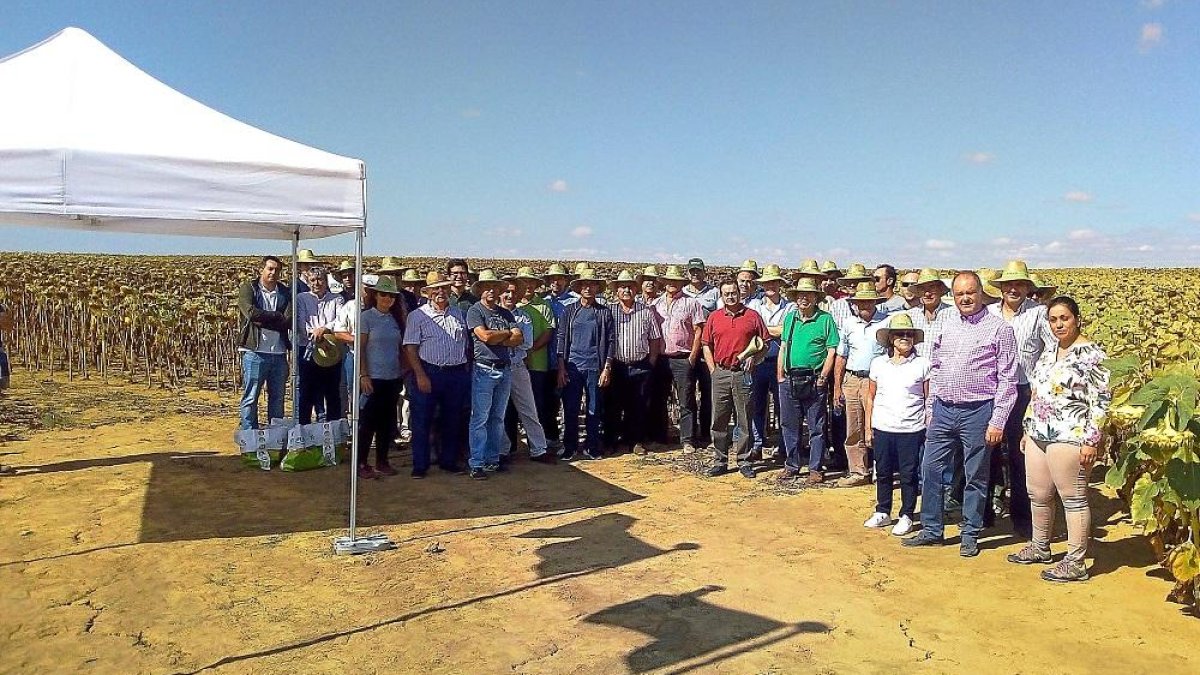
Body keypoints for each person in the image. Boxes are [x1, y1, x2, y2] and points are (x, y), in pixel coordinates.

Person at [903, 272, 1018, 558]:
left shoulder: (999, 329)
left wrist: (998, 420)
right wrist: (931, 409)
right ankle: (931, 530)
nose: (965, 298)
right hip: (943, 409)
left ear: (981, 293)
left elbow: (1008, 379)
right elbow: (937, 367)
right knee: (930, 469)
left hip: (978, 412)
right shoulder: (947, 323)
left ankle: (970, 534)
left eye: (970, 292)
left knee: (975, 476)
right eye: (959, 294)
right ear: (952, 297)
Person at [1009, 296, 1111, 582]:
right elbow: (1037, 392)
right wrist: (1028, 428)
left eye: (1064, 318)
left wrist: (1092, 440)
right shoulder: (1049, 352)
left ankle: (1076, 562)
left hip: (1071, 435)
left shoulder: (1092, 354)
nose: (1058, 324)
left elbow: (1101, 400)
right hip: (1040, 432)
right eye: (1053, 320)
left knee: (1073, 499)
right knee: (1038, 495)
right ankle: (1040, 546)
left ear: (1076, 318)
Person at [988, 260, 1056, 538]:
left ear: (1028, 288)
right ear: (1001, 288)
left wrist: (1042, 390)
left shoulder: (1039, 313)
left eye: (1019, 284)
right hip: (989, 391)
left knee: (1020, 457)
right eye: (1009, 284)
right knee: (987, 454)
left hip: (1023, 391)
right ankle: (985, 513)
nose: (1013, 289)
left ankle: (1022, 518)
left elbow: (1050, 351)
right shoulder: (989, 312)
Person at [863, 314, 931, 536]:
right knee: (882, 471)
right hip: (883, 426)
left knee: (908, 474)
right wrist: (867, 427)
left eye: (909, 334)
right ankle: (883, 510)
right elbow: (871, 397)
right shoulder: (878, 364)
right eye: (900, 334)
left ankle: (907, 514)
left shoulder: (922, 364)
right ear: (891, 339)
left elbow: (928, 397)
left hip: (911, 428)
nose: (905, 338)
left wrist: (928, 425)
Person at [403, 271, 470, 477]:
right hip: (429, 371)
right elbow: (411, 348)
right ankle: (420, 465)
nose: (440, 291)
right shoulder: (418, 316)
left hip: (456, 373)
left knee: (452, 419)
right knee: (422, 420)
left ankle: (448, 461)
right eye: (436, 288)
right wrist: (420, 374)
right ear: (428, 292)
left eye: (444, 287)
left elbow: (466, 343)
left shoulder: (459, 313)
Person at [702, 278, 769, 479]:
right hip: (721, 373)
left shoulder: (752, 316)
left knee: (744, 419)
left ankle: (744, 461)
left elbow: (764, 344)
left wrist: (755, 359)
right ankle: (720, 461)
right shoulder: (714, 317)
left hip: (743, 374)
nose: (730, 296)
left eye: (734, 292)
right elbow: (706, 344)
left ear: (739, 293)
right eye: (726, 294)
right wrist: (713, 369)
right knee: (719, 419)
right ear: (721, 296)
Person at [777, 277, 839, 484]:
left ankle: (815, 468)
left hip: (814, 379)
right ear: (795, 298)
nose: (804, 298)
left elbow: (832, 351)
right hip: (789, 379)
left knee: (817, 426)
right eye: (800, 295)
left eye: (808, 295)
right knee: (789, 424)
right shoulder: (790, 319)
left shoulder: (825, 319)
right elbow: (783, 346)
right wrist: (780, 375)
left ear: (815, 297)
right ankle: (792, 465)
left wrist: (823, 377)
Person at [466, 269, 523, 480]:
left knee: (497, 418)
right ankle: (477, 462)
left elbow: (518, 338)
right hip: (484, 368)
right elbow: (484, 336)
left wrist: (498, 336)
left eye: (494, 288)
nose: (491, 291)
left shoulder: (505, 313)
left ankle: (492, 459)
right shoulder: (475, 311)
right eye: (487, 287)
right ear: (480, 290)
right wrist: (506, 334)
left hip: (504, 368)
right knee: (480, 417)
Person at [833, 282, 888, 487]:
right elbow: (841, 355)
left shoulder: (887, 322)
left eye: (868, 300)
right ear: (854, 303)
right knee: (854, 426)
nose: (864, 304)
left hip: (875, 381)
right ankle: (858, 470)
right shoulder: (848, 324)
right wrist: (837, 386)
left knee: (877, 426)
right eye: (860, 301)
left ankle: (881, 470)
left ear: (875, 301)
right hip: (852, 379)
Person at [557, 269, 616, 461]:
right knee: (571, 407)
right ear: (579, 288)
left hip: (594, 366)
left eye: (592, 284)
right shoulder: (570, 311)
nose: (588, 288)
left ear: (597, 288)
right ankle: (570, 446)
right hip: (572, 365)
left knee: (594, 408)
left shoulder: (603, 312)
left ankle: (592, 446)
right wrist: (561, 367)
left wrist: (606, 367)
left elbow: (610, 341)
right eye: (584, 285)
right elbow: (562, 338)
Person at [497, 277, 556, 465]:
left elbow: (527, 343)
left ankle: (538, 449)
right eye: (507, 291)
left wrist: (499, 340)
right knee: (498, 411)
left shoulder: (524, 316)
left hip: (517, 366)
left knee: (529, 408)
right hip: (496, 367)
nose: (510, 295)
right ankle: (501, 450)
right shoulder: (491, 315)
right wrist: (511, 339)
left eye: (514, 292)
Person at [604, 270, 663, 455]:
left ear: (636, 290)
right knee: (613, 405)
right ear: (616, 291)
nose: (626, 290)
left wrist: (651, 361)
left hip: (640, 365)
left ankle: (635, 441)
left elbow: (655, 338)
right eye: (622, 287)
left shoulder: (646, 311)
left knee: (637, 405)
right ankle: (611, 440)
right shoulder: (610, 311)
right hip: (616, 365)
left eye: (630, 287)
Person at [355, 275, 407, 479]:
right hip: (372, 378)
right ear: (375, 295)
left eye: (391, 295)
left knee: (387, 422)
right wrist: (363, 374)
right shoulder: (366, 317)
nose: (387, 299)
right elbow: (361, 348)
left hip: (392, 378)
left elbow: (401, 348)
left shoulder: (396, 319)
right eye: (383, 294)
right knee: (367, 422)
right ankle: (360, 463)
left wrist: (402, 372)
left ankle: (382, 461)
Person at [653, 265, 707, 453]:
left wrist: (692, 356)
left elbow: (699, 330)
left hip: (683, 357)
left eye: (675, 281)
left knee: (686, 400)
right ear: (664, 283)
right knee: (659, 398)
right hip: (661, 358)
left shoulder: (691, 303)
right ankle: (660, 436)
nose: (672, 284)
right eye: (669, 281)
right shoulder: (656, 304)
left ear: (681, 283)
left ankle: (687, 440)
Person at [237, 256, 292, 430]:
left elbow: (288, 320)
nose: (273, 273)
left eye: (276, 270)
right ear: (262, 269)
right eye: (270, 269)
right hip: (254, 352)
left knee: (277, 398)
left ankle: (274, 438)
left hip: (279, 353)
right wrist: (276, 316)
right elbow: (251, 313)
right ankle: (249, 436)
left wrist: (264, 319)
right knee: (251, 396)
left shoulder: (284, 292)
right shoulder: (249, 288)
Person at [746, 264, 792, 462]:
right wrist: (774, 330)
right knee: (757, 404)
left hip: (780, 362)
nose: (770, 286)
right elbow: (750, 330)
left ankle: (783, 445)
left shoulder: (789, 306)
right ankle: (757, 444)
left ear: (780, 284)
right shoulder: (754, 306)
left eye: (773, 282)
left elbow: (787, 330)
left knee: (783, 406)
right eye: (767, 283)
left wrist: (763, 330)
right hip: (758, 361)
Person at [513, 267, 561, 457]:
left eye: (531, 282)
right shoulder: (512, 304)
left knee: (538, 404)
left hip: (538, 363)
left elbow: (548, 332)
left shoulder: (544, 305)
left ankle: (542, 442)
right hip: (516, 364)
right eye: (523, 282)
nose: (527, 285)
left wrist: (528, 349)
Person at [295, 265, 345, 424]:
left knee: (332, 392)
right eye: (313, 280)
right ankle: (304, 431)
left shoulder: (337, 299)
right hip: (308, 349)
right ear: (308, 282)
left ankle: (333, 433)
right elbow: (301, 323)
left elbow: (339, 320)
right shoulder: (301, 298)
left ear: (326, 281)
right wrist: (316, 335)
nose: (317, 283)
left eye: (320, 279)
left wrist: (324, 329)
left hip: (332, 350)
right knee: (307, 392)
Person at [683, 257, 717, 446]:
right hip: (686, 349)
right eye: (692, 271)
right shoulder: (682, 293)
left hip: (708, 349)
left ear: (704, 272)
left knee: (708, 392)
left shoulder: (713, 293)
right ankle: (689, 433)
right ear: (688, 273)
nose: (695, 274)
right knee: (687, 393)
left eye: (698, 271)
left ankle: (706, 431)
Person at [636, 266, 671, 447]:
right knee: (640, 397)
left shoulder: (661, 302)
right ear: (640, 284)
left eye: (653, 280)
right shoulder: (633, 301)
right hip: (639, 357)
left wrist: (653, 358)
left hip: (659, 356)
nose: (649, 283)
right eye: (646, 280)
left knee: (659, 396)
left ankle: (658, 434)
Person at [903, 269, 953, 360]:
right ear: (918, 292)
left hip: (942, 371)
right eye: (922, 289)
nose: (927, 293)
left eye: (932, 288)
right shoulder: (910, 315)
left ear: (940, 290)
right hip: (916, 370)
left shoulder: (953, 314)